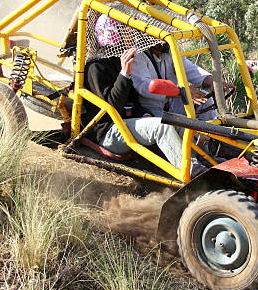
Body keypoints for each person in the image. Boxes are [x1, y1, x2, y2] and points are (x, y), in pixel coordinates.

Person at [82, 15, 206, 176]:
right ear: (113, 34)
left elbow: (133, 102)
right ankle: (190, 172)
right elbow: (111, 108)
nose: (131, 35)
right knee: (161, 127)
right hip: (106, 132)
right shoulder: (95, 67)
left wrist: (144, 114)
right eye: (125, 31)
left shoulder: (121, 62)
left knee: (182, 124)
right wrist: (124, 75)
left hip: (126, 124)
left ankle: (203, 164)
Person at [130, 42, 226, 120]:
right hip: (151, 110)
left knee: (205, 99)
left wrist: (213, 82)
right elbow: (144, 86)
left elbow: (189, 68)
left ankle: (210, 139)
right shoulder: (138, 54)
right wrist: (181, 92)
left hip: (172, 102)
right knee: (177, 125)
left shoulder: (170, 49)